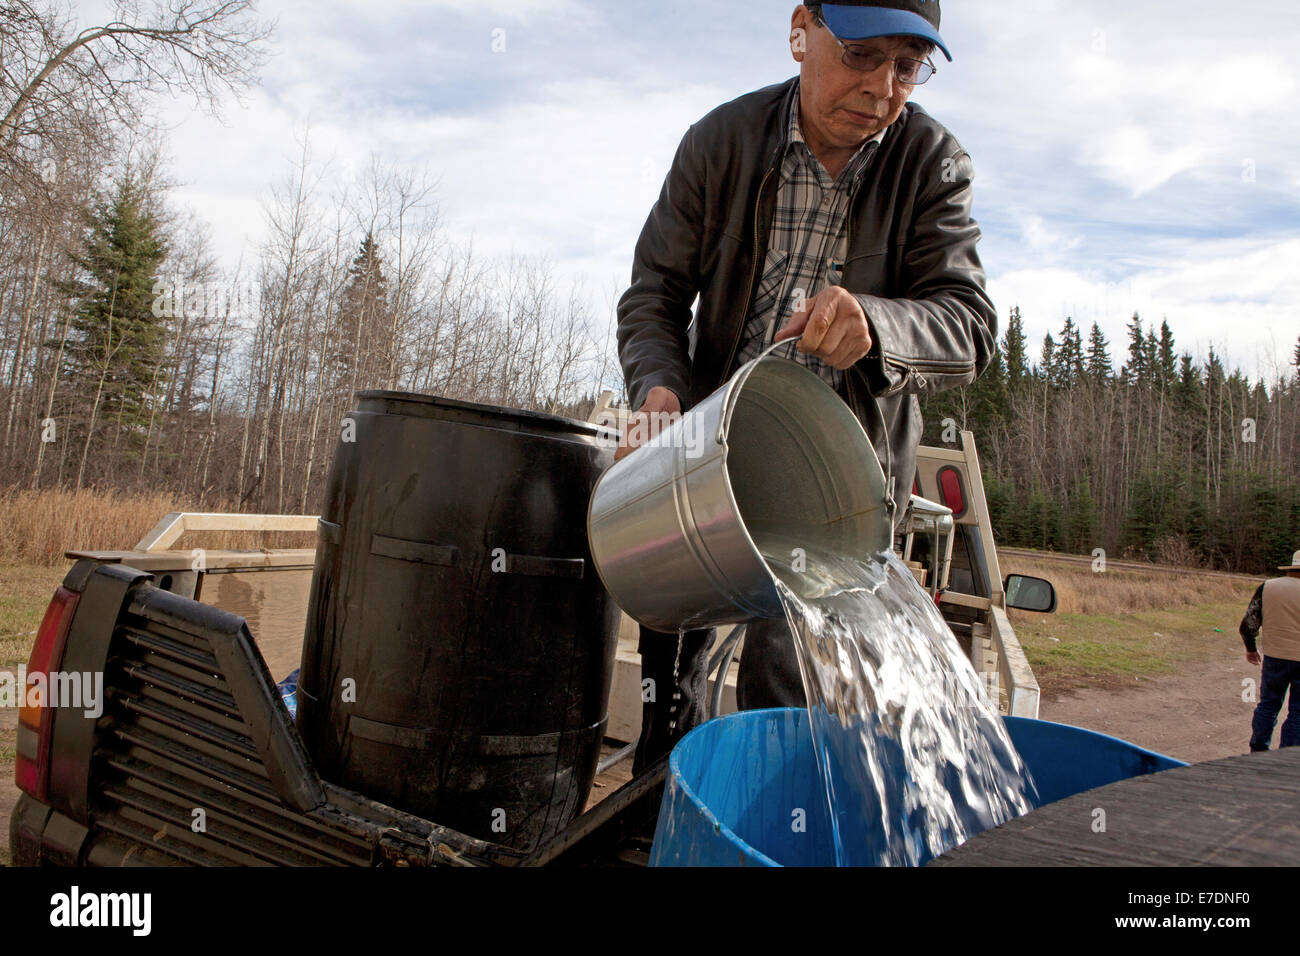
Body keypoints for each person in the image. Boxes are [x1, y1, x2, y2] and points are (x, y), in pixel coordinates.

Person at [614, 1, 997, 773]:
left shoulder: (930, 163)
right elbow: (654, 292)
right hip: (705, 453)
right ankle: (661, 804)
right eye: (862, 55)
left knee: (789, 692)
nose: (883, 88)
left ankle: (767, 822)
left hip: (833, 490)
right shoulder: (720, 142)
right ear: (801, 29)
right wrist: (659, 389)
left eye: (908, 65)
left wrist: (879, 326)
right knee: (671, 656)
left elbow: (970, 326)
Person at [1240, 550, 1300, 751]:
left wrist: (1251, 648)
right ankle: (1288, 754)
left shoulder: (1268, 587)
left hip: (1275, 657)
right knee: (1298, 712)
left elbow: (1248, 624)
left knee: (1268, 704)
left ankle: (1258, 748)